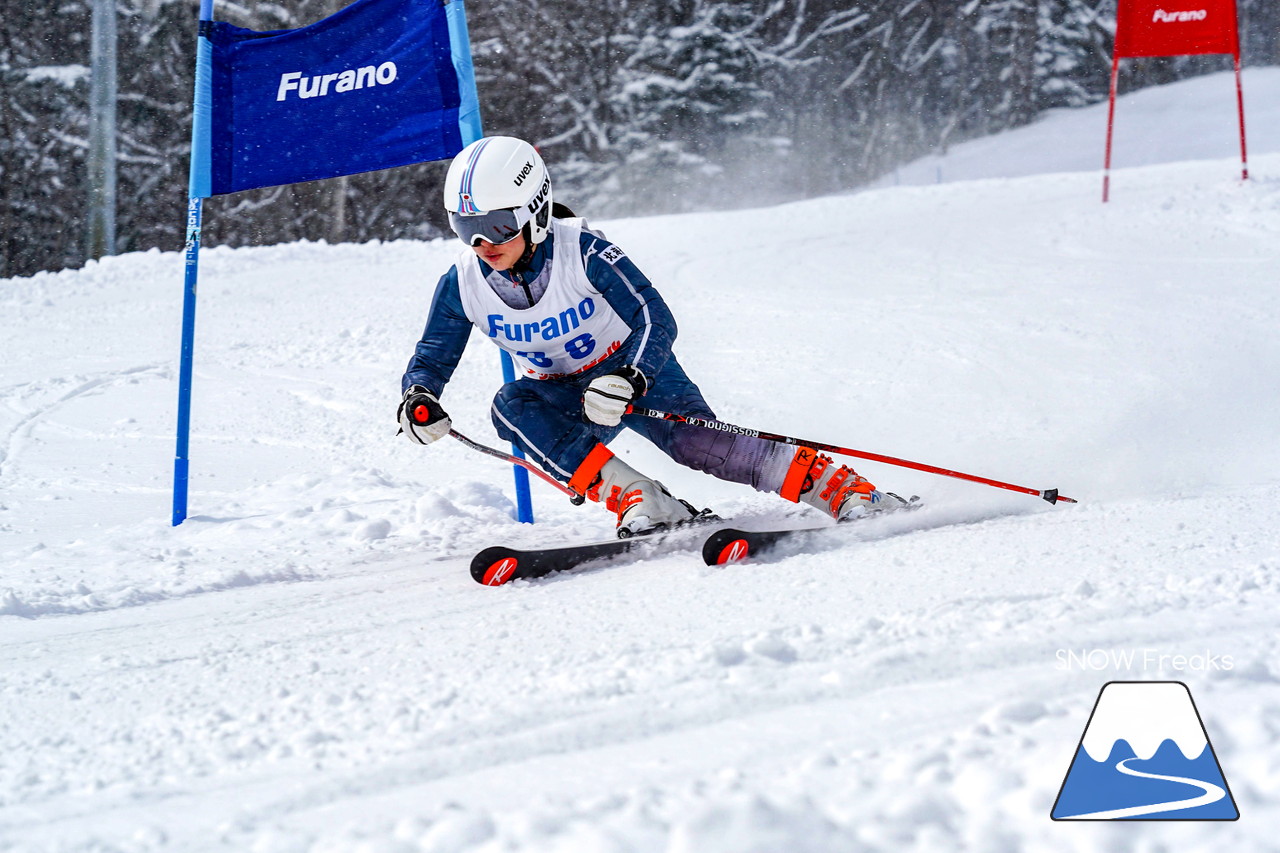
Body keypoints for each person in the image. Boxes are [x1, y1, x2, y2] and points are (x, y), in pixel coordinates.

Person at [399, 136, 902, 536]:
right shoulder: (462, 282)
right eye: (466, 228)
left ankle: (839, 487)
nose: (483, 243)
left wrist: (630, 378)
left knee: (699, 445)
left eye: (497, 225)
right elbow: (433, 354)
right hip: (563, 393)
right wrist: (419, 396)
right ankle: (641, 497)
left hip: (636, 373)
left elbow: (656, 317)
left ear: (535, 210)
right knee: (511, 404)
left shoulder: (584, 252)